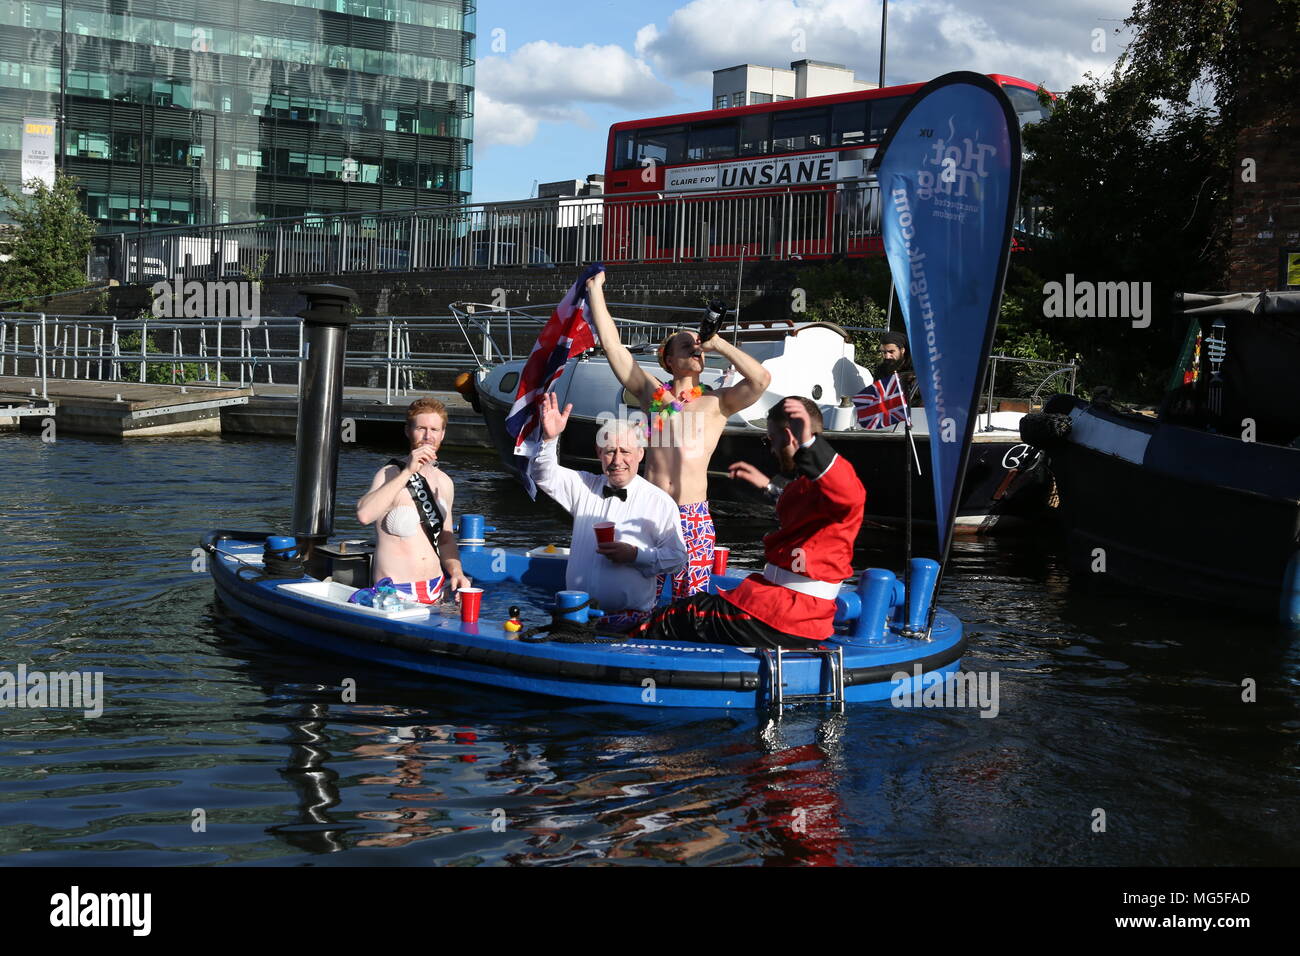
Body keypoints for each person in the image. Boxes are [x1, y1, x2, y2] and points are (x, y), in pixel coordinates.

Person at [585, 269, 771, 600]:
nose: (697, 348)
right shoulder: (657, 397)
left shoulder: (717, 402)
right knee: (639, 594)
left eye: (699, 346)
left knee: (691, 600)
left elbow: (760, 380)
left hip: (693, 513)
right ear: (669, 360)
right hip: (649, 507)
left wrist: (719, 344)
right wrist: (594, 290)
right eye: (687, 346)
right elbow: (614, 348)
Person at [631, 397, 865, 649]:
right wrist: (768, 486)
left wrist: (809, 442)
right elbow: (805, 508)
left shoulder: (838, 488)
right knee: (691, 607)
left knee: (679, 616)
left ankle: (615, 654)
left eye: (771, 440)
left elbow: (849, 493)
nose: (772, 449)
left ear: (789, 435)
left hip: (786, 613)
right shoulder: (807, 486)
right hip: (785, 607)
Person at [530, 391, 687, 631]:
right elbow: (543, 474)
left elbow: (677, 558)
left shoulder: (660, 502)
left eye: (625, 451)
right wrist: (550, 439)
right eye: (610, 451)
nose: (617, 460)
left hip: (630, 622)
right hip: (576, 615)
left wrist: (635, 555)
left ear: (640, 454)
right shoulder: (584, 486)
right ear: (599, 454)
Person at [356, 397, 471, 603]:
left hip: (436, 589)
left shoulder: (444, 482)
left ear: (443, 434)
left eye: (435, 430)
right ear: (408, 431)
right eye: (421, 428)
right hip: (396, 594)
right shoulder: (390, 474)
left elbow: (445, 540)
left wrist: (457, 572)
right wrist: (407, 472)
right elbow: (364, 515)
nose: (428, 436)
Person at [874, 331, 918, 404]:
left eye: (891, 352)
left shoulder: (916, 369)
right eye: (884, 352)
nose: (887, 356)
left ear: (902, 350)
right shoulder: (881, 370)